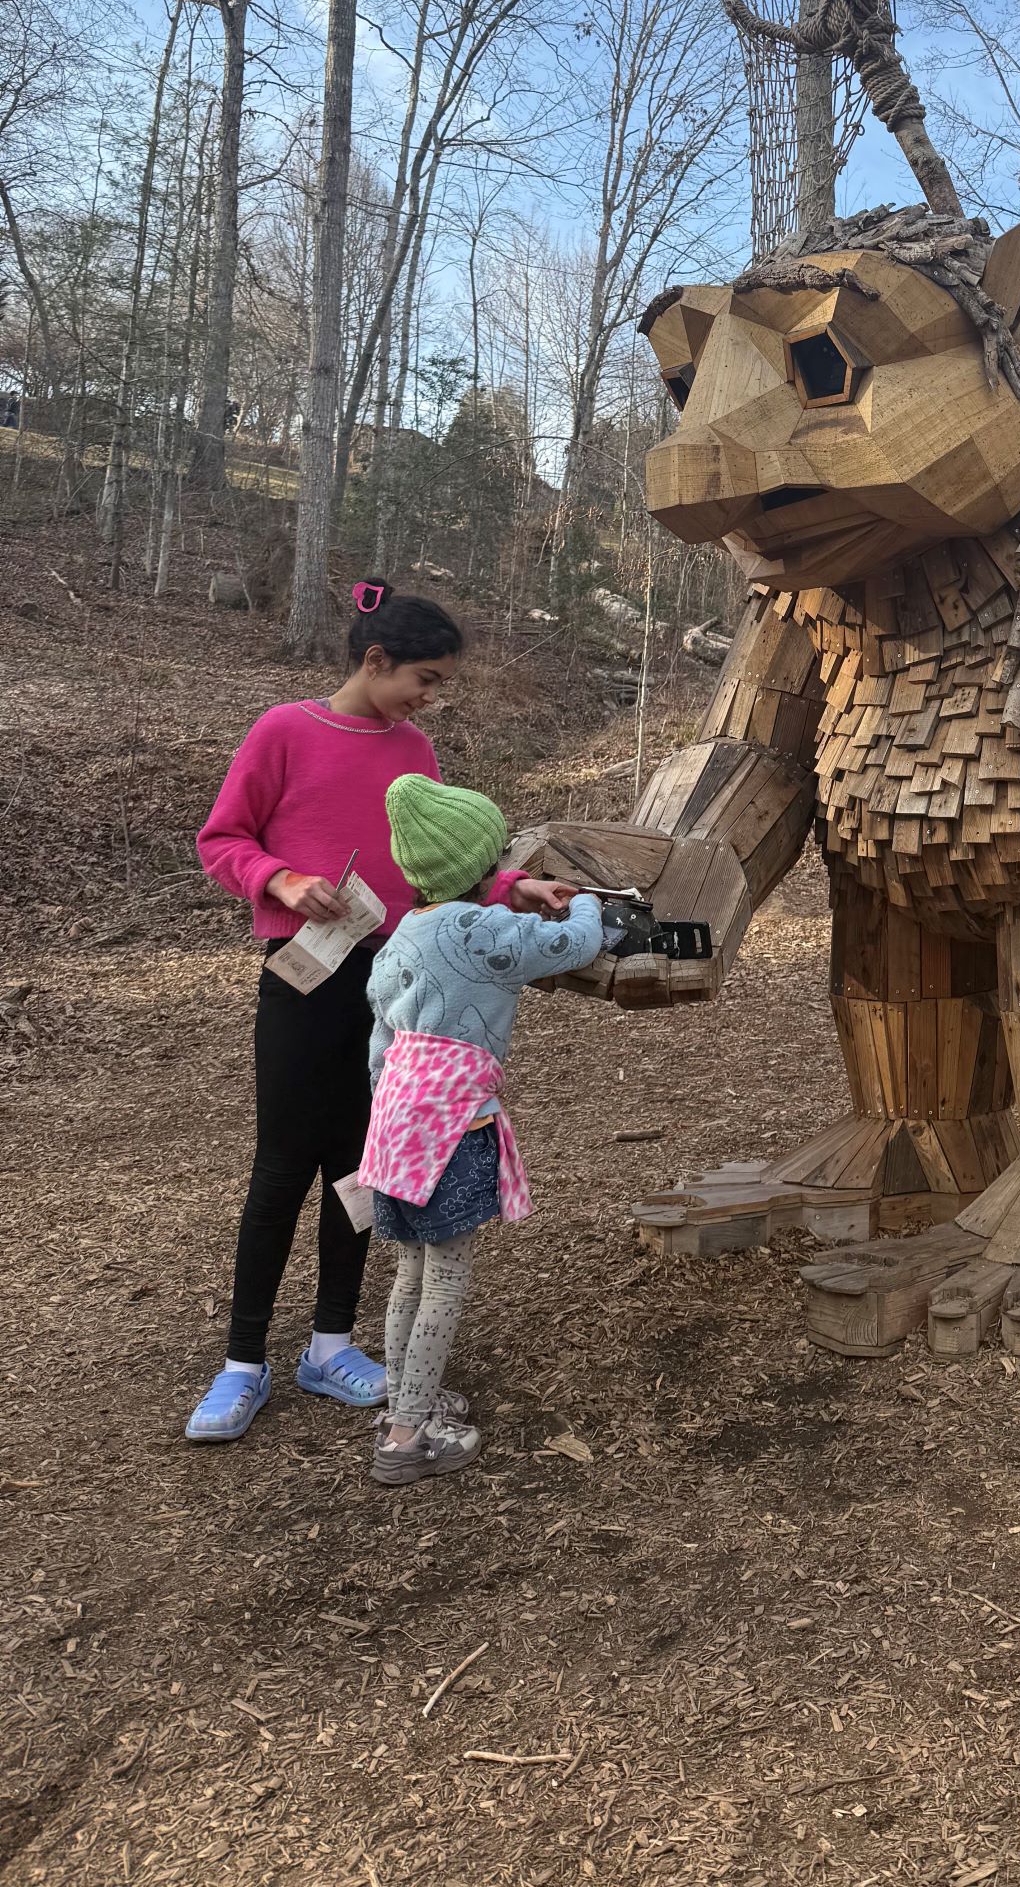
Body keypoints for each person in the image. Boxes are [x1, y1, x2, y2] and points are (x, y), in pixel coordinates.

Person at [187, 581, 576, 1443]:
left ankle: (331, 1344)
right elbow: (223, 840)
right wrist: (281, 879)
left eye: (437, 685)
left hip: (397, 993)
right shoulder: (284, 731)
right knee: (283, 1162)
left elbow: (441, 873)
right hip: (303, 981)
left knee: (365, 1168)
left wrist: (515, 888)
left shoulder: (416, 752)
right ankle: (241, 1362)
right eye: (425, 679)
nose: (430, 698)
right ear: (375, 659)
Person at [360, 774, 618, 1485]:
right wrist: (588, 899)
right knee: (447, 1276)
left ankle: (405, 1395)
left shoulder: (401, 937)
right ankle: (409, 1438)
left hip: (395, 1124)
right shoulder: (483, 931)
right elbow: (573, 944)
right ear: (481, 866)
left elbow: (380, 1046)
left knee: (408, 1271)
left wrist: (512, 889)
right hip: (453, 1127)